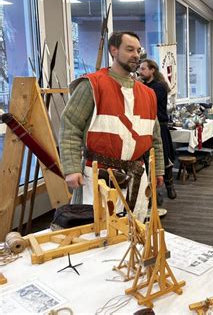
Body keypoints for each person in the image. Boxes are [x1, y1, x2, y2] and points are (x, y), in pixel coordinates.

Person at [59, 31, 165, 221]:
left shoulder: (148, 94)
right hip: (98, 175)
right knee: (96, 232)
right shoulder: (92, 85)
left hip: (136, 175)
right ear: (113, 50)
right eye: (129, 49)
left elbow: (154, 137)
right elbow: (70, 127)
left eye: (138, 50)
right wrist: (72, 168)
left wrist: (158, 169)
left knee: (134, 229)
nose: (136, 55)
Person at [139, 59, 176, 200]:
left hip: (159, 126)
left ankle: (169, 186)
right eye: (140, 69)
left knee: (165, 159)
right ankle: (155, 192)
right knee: (150, 160)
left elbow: (148, 98)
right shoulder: (144, 86)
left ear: (152, 70)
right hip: (147, 127)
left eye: (143, 69)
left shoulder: (158, 87)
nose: (140, 72)